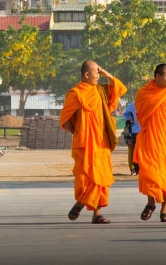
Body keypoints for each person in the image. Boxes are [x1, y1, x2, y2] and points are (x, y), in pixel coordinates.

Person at [60, 60, 127, 224]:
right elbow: (65, 119)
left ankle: (93, 211)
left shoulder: (101, 91)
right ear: (86, 74)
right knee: (85, 177)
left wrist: (107, 74)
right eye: (96, 72)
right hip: (84, 142)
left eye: (99, 72)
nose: (98, 75)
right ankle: (85, 202)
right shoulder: (75, 93)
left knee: (101, 178)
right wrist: (78, 132)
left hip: (101, 141)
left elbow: (120, 89)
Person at [134, 64, 166, 223]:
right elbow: (140, 114)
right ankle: (151, 203)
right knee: (150, 172)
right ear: (157, 76)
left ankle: (164, 211)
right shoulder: (144, 92)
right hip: (150, 138)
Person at [122, 99, 141, 175]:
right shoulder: (133, 104)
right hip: (135, 131)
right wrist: (131, 119)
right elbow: (125, 114)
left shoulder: (149, 102)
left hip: (147, 131)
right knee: (134, 150)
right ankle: (135, 169)